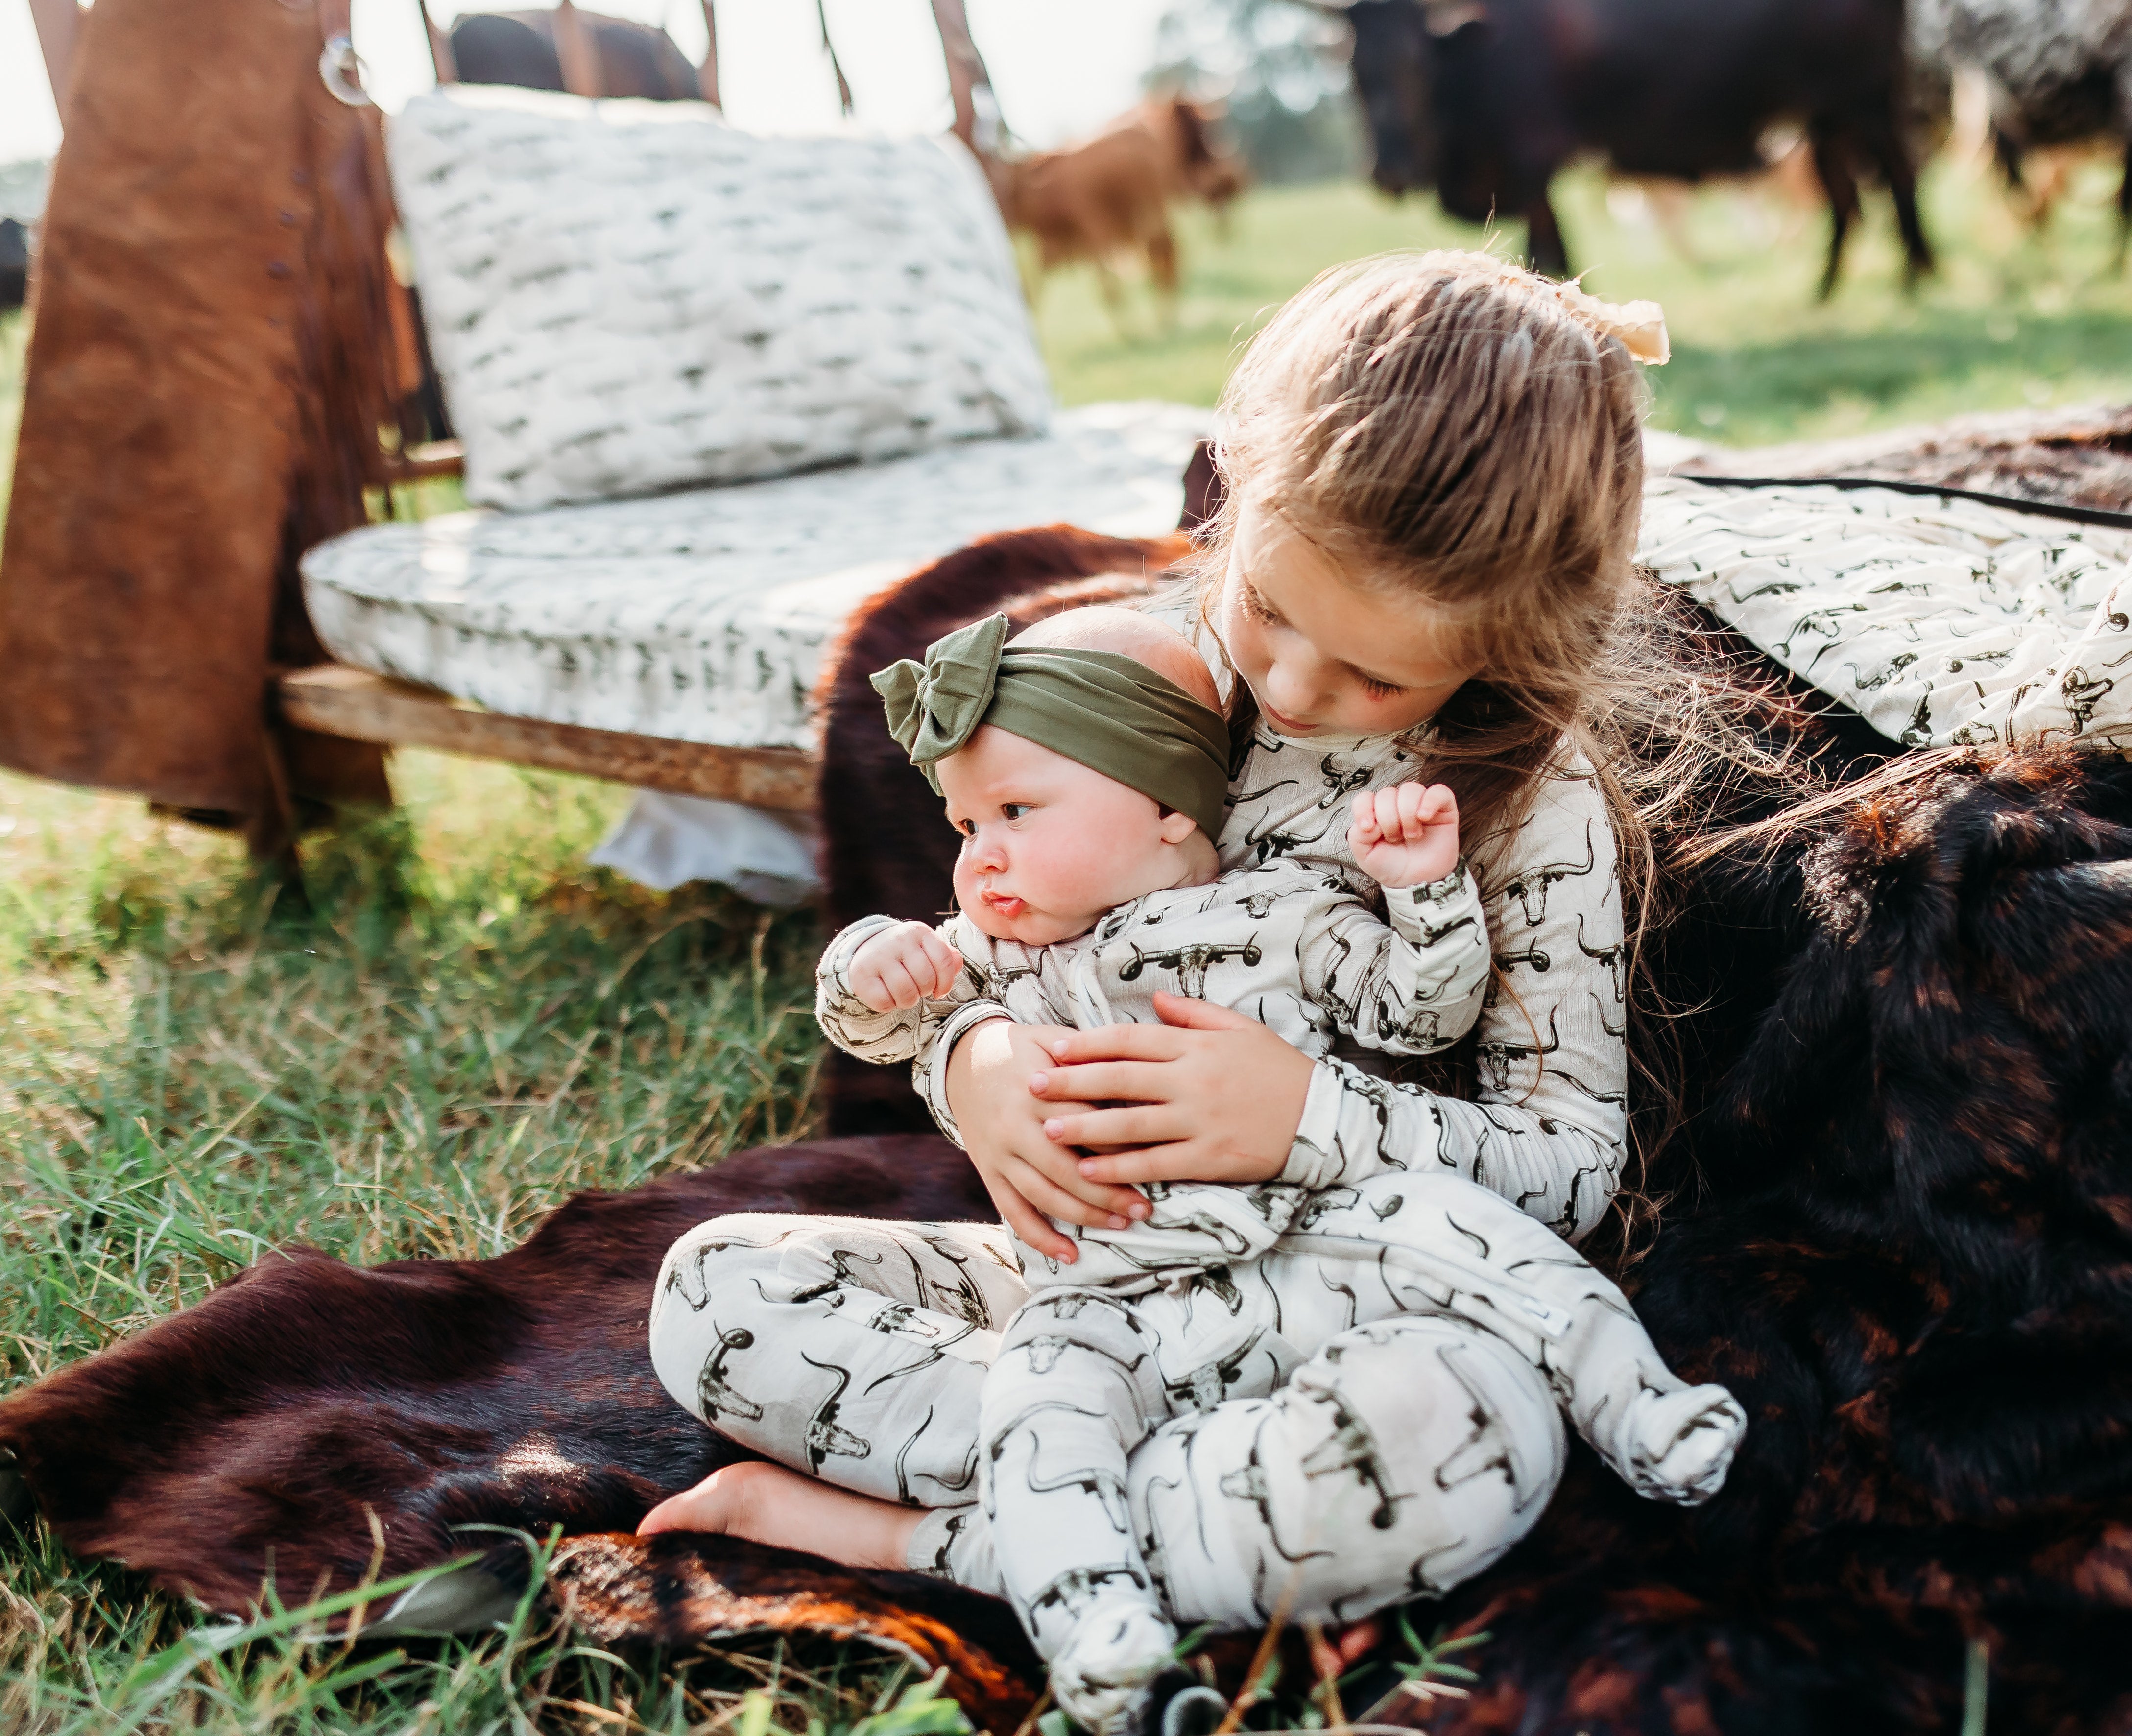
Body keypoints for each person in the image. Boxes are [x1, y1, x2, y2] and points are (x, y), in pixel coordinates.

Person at [642, 248, 1677, 1723]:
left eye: (1374, 678)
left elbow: (1572, 1171)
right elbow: (1001, 922)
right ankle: (1126, 1512)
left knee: (1458, 1442)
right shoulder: (1157, 680)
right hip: (1086, 1294)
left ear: (1513, 645)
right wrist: (976, 1058)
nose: (1298, 689)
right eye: (1269, 608)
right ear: (1234, 490)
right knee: (713, 1291)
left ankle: (951, 1539)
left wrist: (1301, 1115)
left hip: (1355, 1303)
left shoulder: (1528, 805)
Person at [718, 602, 1741, 1732]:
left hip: (1321, 1257)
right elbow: (870, 1013)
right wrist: (926, 1012)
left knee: (1459, 1270)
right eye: (965, 827)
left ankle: (1639, 1408)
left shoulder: (1285, 916)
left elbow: (1419, 1007)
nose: (981, 855)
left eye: (1012, 813)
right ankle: (1122, 1617)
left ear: (1165, 812)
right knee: (746, 1295)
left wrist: (1424, 893)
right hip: (1098, 1291)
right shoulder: (1006, 947)